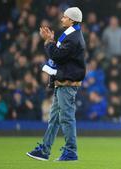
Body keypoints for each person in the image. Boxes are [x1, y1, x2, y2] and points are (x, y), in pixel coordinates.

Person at [26, 7, 86, 161]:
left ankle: (71, 151)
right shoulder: (71, 35)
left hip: (67, 83)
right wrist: (52, 41)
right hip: (63, 82)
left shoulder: (73, 38)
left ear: (72, 20)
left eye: (65, 17)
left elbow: (58, 56)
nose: (62, 19)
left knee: (66, 117)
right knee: (54, 118)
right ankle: (45, 150)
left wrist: (48, 42)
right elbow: (60, 55)